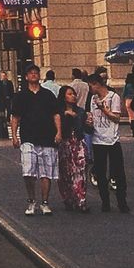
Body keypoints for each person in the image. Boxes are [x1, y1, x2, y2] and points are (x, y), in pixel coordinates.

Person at [10, 63, 61, 216]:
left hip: (47, 137)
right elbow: (15, 117)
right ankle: (31, 200)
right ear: (26, 77)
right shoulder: (20, 96)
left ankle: (45, 202)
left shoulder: (48, 95)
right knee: (28, 172)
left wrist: (59, 132)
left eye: (36, 73)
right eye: (30, 73)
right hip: (28, 137)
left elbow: (56, 114)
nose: (33, 75)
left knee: (46, 173)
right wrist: (14, 135)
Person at [86, 72, 130, 213]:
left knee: (118, 172)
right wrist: (89, 120)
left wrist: (103, 109)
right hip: (97, 139)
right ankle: (105, 201)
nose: (90, 89)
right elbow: (92, 115)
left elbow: (116, 117)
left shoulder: (113, 97)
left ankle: (121, 201)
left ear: (96, 84)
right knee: (100, 171)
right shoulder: (93, 98)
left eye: (90, 86)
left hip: (112, 140)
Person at [57, 83, 89, 212]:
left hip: (77, 143)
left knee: (80, 171)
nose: (73, 96)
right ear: (64, 97)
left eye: (74, 94)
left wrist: (78, 119)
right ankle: (68, 198)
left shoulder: (80, 111)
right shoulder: (59, 112)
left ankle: (81, 199)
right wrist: (65, 116)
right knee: (65, 173)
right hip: (64, 144)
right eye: (70, 94)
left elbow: (84, 128)